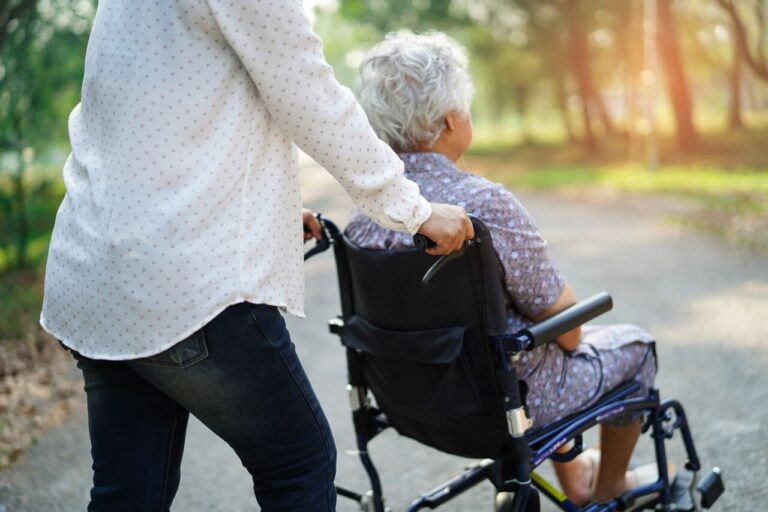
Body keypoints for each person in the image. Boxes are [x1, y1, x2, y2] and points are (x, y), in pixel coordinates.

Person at [40, 4, 474, 511]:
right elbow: (307, 94)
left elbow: (159, 119)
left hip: (99, 269)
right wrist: (413, 209)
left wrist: (266, 207)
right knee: (298, 464)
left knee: (129, 494)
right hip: (182, 279)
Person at [344, 31, 663, 506]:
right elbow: (569, 334)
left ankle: (576, 481)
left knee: (532, 354)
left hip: (407, 400)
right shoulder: (483, 205)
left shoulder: (361, 217)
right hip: (502, 404)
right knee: (634, 347)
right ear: (452, 121)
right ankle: (610, 486)